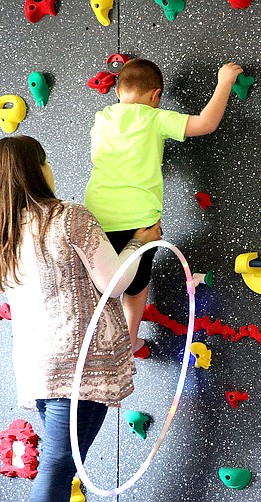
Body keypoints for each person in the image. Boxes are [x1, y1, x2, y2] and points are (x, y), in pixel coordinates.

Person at [0, 136, 162, 502]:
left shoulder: (0, 232)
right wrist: (139, 242)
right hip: (79, 364)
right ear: (37, 169)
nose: (50, 169)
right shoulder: (67, 217)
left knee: (59, 466)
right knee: (58, 465)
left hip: (37, 366)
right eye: (45, 161)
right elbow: (115, 282)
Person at [84, 58, 243, 356]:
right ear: (155, 96)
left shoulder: (102, 118)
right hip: (138, 220)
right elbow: (206, 123)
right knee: (136, 283)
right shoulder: (153, 118)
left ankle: (97, 341)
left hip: (97, 217)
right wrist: (225, 81)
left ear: (118, 92)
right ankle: (129, 341)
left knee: (103, 281)